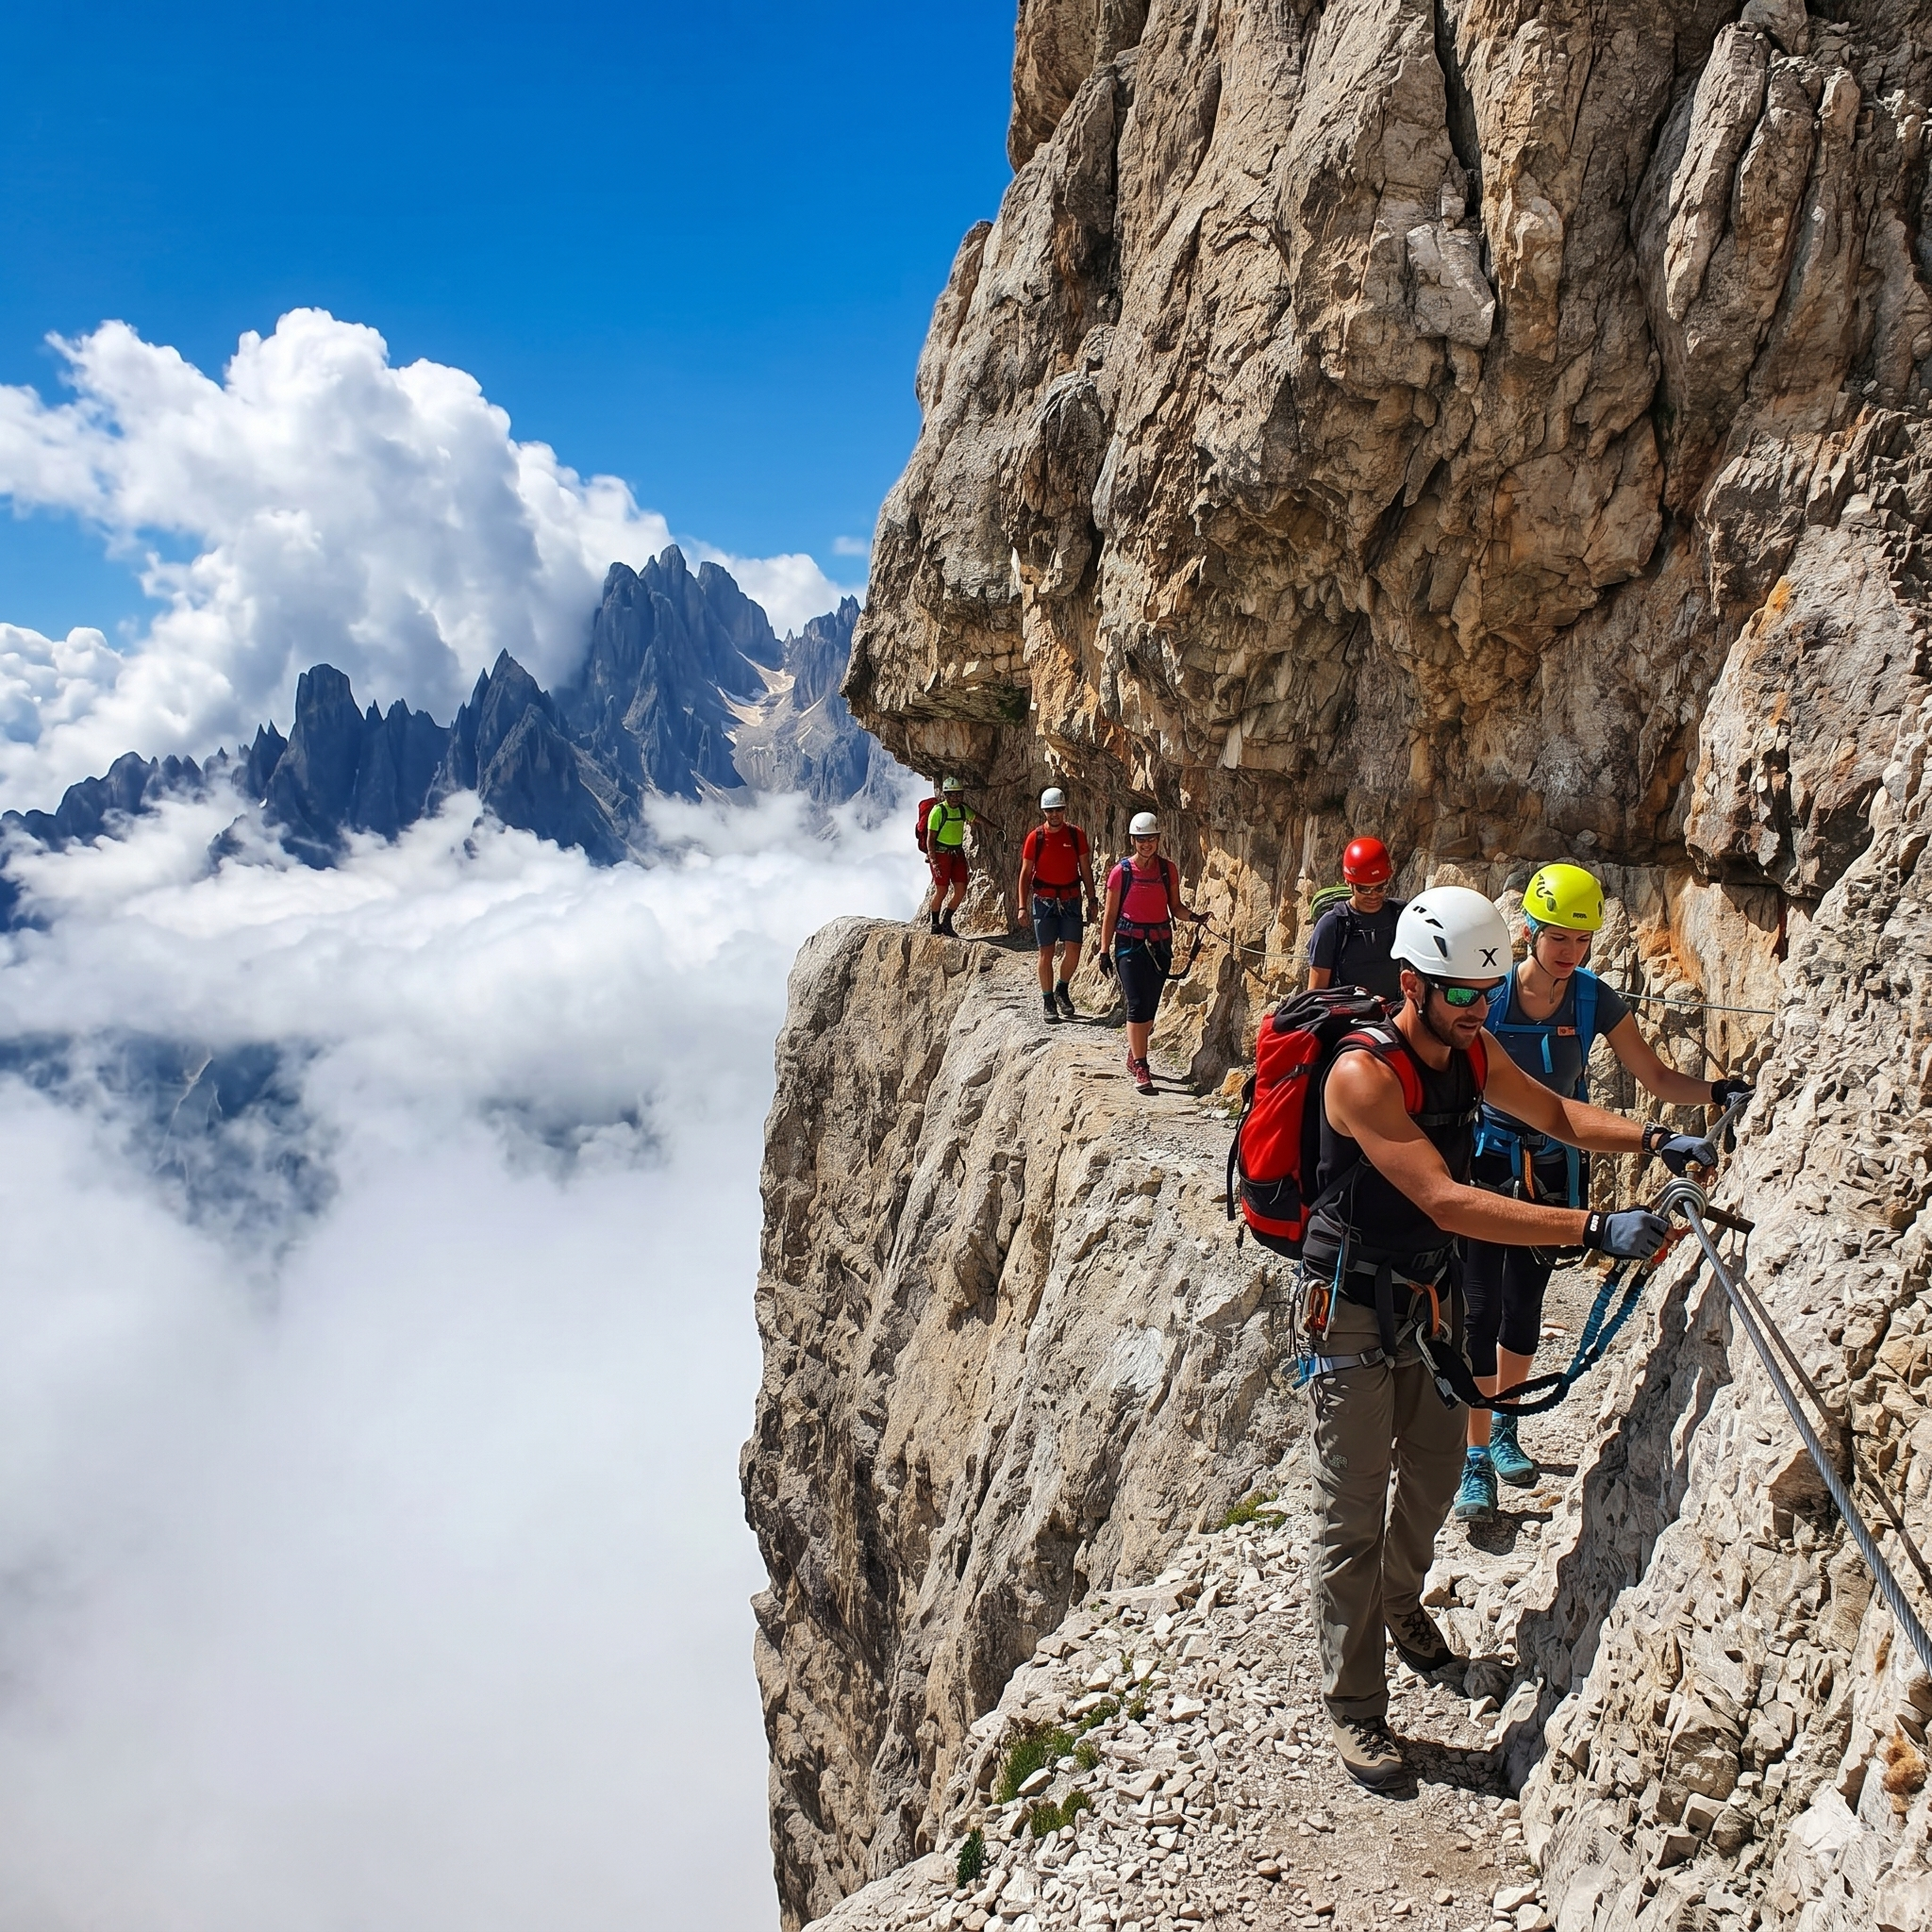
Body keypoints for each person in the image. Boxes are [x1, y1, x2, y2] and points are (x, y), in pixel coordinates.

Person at [1300, 884, 1719, 1791]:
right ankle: (1357, 1710)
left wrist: (1655, 1138)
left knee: (1440, 1468)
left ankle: (1404, 1611)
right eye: (1460, 994)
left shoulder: (1469, 1046)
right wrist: (1592, 1230)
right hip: (1353, 1305)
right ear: (1412, 985)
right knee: (1352, 1510)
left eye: (1485, 993)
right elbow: (1444, 1199)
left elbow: (1560, 1116)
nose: (1478, 1008)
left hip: (1423, 1295)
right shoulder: (1361, 1075)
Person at [1453, 863, 1754, 1518]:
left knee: (1522, 1309)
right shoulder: (1490, 995)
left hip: (1551, 1168)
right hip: (1488, 1161)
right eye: (1559, 936)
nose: (1570, 952)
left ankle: (1504, 1425)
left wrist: (1716, 1091)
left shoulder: (1591, 998)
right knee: (1477, 1312)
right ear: (1529, 928)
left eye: (1581, 940)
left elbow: (1652, 1073)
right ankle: (1474, 1458)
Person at [1097, 812, 1205, 1096]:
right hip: (1129, 944)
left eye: (1151, 839)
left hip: (1159, 945)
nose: (1147, 844)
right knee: (1136, 1003)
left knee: (1150, 1007)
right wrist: (1104, 950)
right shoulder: (1121, 872)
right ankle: (1142, 1065)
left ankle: (1135, 1054)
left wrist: (1195, 918)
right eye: (1142, 840)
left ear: (1158, 840)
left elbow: (1176, 907)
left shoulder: (1167, 869)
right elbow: (1110, 914)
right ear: (1133, 840)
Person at [1017, 788, 1098, 1024]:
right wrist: (1022, 906)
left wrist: (1092, 900)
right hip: (1044, 900)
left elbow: (1085, 869)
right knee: (1046, 952)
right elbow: (1025, 873)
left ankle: (1062, 988)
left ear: (1064, 810)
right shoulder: (1036, 837)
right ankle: (1048, 999)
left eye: (1058, 810)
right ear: (1044, 811)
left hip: (1071, 898)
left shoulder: (1075, 835)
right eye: (1050, 810)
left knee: (1074, 949)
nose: (1054, 815)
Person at [1307, 837, 1404, 1001]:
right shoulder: (1332, 925)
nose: (1373, 895)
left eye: (1381, 887)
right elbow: (1315, 994)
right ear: (1348, 883)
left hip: (1392, 1015)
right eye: (1363, 889)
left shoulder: (1401, 915)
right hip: (1346, 1020)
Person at [924, 777, 974, 937]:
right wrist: (933, 861)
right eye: (951, 794)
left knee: (960, 890)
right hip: (940, 855)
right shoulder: (938, 811)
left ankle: (946, 922)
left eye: (958, 794)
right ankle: (935, 923)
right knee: (942, 890)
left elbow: (977, 818)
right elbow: (930, 839)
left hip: (957, 854)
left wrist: (996, 828)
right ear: (946, 795)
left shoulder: (962, 810)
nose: (955, 797)